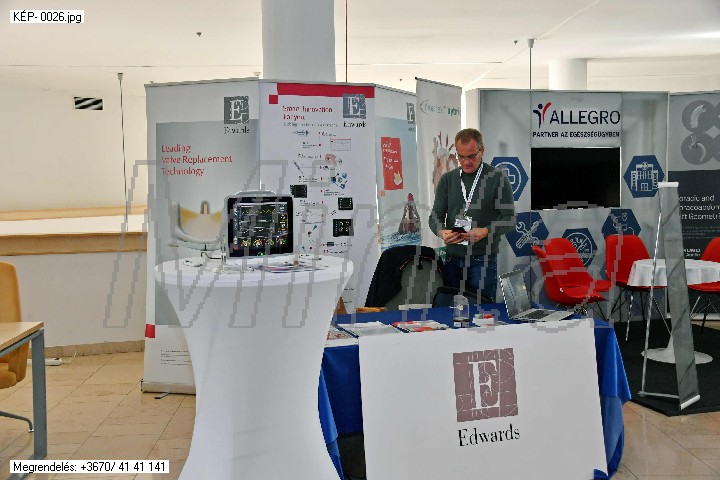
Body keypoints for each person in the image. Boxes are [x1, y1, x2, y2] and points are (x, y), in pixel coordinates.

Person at [428, 128, 516, 301]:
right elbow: (435, 216)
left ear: (481, 151)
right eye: (461, 157)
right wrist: (441, 232)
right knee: (452, 311)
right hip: (453, 259)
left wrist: (486, 231)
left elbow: (509, 219)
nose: (466, 162)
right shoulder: (448, 180)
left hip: (483, 259)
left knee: (482, 311)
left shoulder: (497, 178)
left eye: (471, 156)